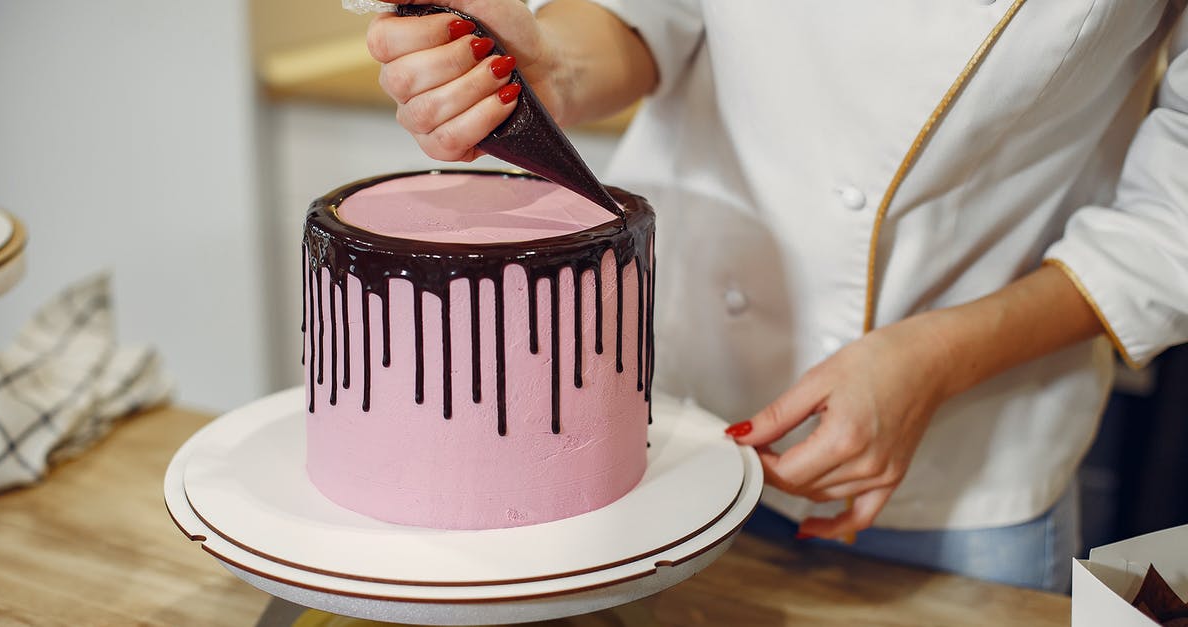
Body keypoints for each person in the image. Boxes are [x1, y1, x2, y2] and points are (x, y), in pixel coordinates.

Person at [364, 0, 1188, 592]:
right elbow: (657, 17)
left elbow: (1175, 217)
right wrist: (547, 63)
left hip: (961, 471)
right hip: (667, 426)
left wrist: (934, 360)